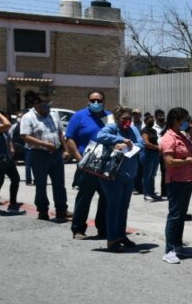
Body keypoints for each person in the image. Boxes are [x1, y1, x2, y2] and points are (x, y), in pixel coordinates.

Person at [94, 106, 142, 251]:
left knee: (123, 207)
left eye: (129, 119)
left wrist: (130, 144)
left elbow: (141, 143)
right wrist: (121, 139)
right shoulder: (112, 128)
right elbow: (100, 136)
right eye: (124, 119)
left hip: (129, 175)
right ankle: (112, 239)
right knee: (114, 207)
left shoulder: (133, 129)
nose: (128, 121)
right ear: (117, 119)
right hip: (113, 175)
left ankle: (121, 235)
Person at [65, 90, 112, 240]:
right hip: (87, 164)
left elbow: (115, 136)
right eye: (93, 100)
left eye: (99, 100)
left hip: (105, 164)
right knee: (84, 198)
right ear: (88, 101)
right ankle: (78, 229)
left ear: (104, 101)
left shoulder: (109, 117)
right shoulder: (79, 116)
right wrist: (79, 159)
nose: (96, 103)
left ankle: (103, 228)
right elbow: (69, 139)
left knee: (106, 198)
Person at [19, 92, 71, 221]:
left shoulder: (54, 115)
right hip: (39, 154)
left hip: (56, 154)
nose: (47, 106)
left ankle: (61, 210)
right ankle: (43, 210)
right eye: (44, 103)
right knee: (41, 185)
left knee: (59, 184)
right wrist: (44, 144)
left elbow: (59, 133)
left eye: (49, 103)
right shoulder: (28, 117)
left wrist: (65, 149)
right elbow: (25, 136)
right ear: (36, 104)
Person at [159, 107, 192, 264]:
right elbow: (169, 161)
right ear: (176, 121)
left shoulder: (182, 135)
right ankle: (169, 250)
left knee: (181, 215)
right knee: (174, 214)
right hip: (175, 181)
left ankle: (178, 245)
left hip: (187, 180)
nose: (187, 122)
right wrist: (187, 161)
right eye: (185, 120)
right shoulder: (169, 137)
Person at [140, 115, 161, 201]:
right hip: (147, 154)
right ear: (145, 121)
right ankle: (146, 194)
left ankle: (152, 192)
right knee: (147, 175)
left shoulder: (154, 130)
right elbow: (147, 143)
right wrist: (158, 148)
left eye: (152, 120)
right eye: (149, 120)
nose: (151, 121)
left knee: (153, 175)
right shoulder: (144, 130)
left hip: (155, 155)